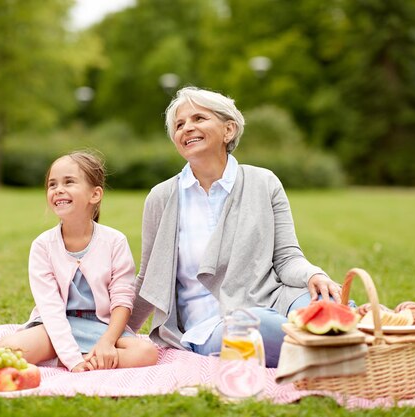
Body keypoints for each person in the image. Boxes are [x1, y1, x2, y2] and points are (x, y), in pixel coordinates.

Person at [128, 87, 344, 367]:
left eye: (199, 118)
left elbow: (288, 258)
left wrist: (313, 274)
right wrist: (113, 332)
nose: (187, 128)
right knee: (259, 328)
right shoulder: (161, 197)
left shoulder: (263, 182)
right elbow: (148, 278)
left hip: (276, 300)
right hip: (210, 324)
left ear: (228, 130)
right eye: (179, 125)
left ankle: (337, 343)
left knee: (328, 306)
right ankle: (343, 348)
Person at [0, 151, 158, 372]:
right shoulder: (43, 246)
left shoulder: (114, 241)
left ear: (95, 195)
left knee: (146, 353)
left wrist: (107, 342)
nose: (58, 189)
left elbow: (122, 300)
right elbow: (51, 308)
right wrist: (73, 361)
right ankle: (75, 358)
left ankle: (85, 357)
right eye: (52, 185)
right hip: (54, 327)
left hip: (102, 328)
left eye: (69, 182)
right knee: (6, 350)